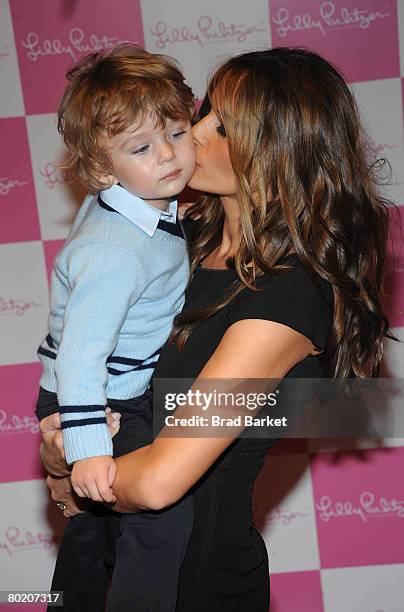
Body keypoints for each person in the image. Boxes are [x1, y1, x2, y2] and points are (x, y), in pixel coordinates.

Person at [41, 48, 390, 611]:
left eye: (222, 126)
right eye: (202, 110)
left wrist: (74, 471)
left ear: (278, 152)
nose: (191, 133)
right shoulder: (181, 239)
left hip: (196, 588)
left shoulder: (285, 298)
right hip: (115, 562)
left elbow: (160, 480)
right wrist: (65, 461)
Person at [35, 44, 196, 612]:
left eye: (177, 133)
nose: (169, 156)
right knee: (161, 514)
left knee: (91, 531)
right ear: (102, 169)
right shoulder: (116, 251)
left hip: (106, 389)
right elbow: (81, 354)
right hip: (101, 399)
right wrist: (87, 449)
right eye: (142, 148)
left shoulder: (140, 204)